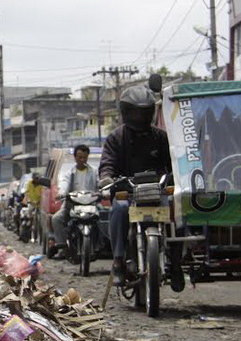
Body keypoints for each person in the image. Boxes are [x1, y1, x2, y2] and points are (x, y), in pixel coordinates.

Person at [98, 85, 172, 286]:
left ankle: (176, 261)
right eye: (135, 112)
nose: (139, 116)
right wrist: (107, 178)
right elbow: (107, 163)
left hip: (157, 191)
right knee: (119, 210)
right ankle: (119, 260)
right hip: (127, 192)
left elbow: (172, 163)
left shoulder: (160, 137)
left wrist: (177, 177)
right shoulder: (116, 137)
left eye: (143, 111)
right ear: (126, 112)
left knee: (176, 208)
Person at [49, 145, 98, 259]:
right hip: (72, 206)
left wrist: (104, 192)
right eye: (80, 157)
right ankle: (62, 248)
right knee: (56, 219)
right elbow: (64, 184)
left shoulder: (94, 172)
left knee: (104, 219)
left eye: (84, 158)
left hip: (90, 206)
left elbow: (99, 184)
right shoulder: (69, 173)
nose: (82, 160)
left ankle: (98, 246)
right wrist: (61, 193)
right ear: (75, 157)